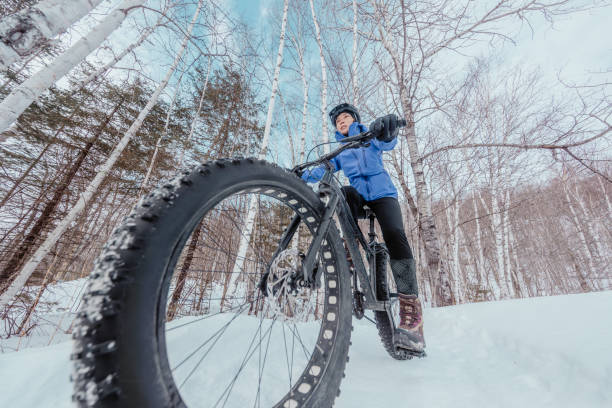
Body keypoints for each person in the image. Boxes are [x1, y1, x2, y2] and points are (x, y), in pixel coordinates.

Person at [300, 103, 425, 353]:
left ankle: (411, 313)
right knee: (341, 191)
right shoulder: (341, 152)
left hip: (383, 194)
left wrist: (386, 129)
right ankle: (346, 253)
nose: (342, 122)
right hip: (357, 196)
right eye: (338, 121)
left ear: (355, 120)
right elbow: (322, 169)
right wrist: (298, 175)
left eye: (346, 117)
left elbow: (387, 142)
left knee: (394, 235)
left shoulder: (370, 138)